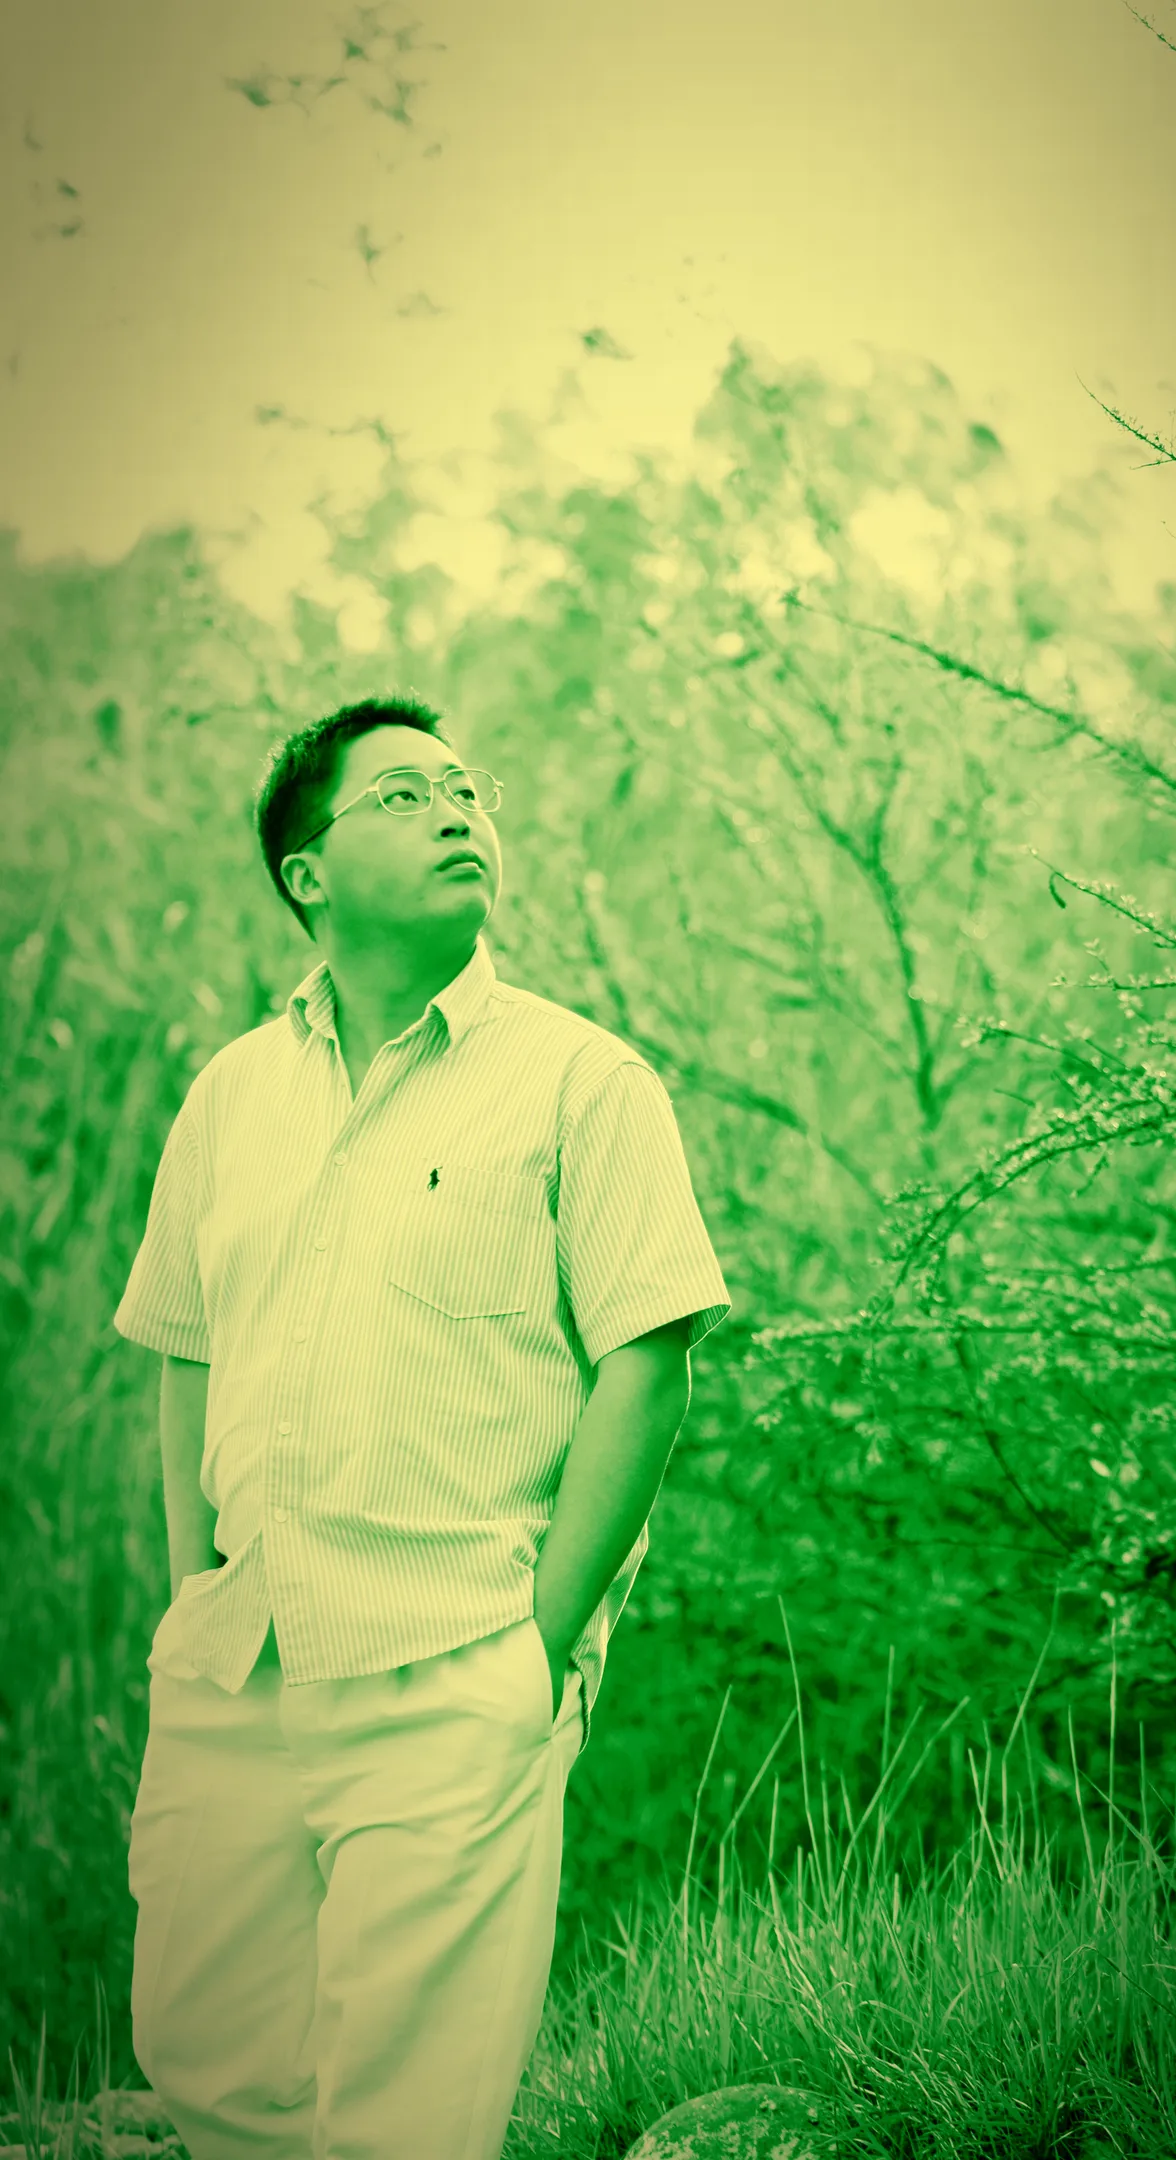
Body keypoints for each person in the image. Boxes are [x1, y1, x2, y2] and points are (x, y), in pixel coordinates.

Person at [115, 696, 731, 2160]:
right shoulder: (231, 1095)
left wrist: (539, 1645)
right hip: (244, 1653)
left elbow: (647, 1365)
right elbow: (187, 1351)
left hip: (458, 1654)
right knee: (208, 2062)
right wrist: (195, 1591)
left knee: (410, 2113)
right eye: (403, 794)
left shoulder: (583, 1081)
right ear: (307, 874)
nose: (459, 811)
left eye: (466, 790)